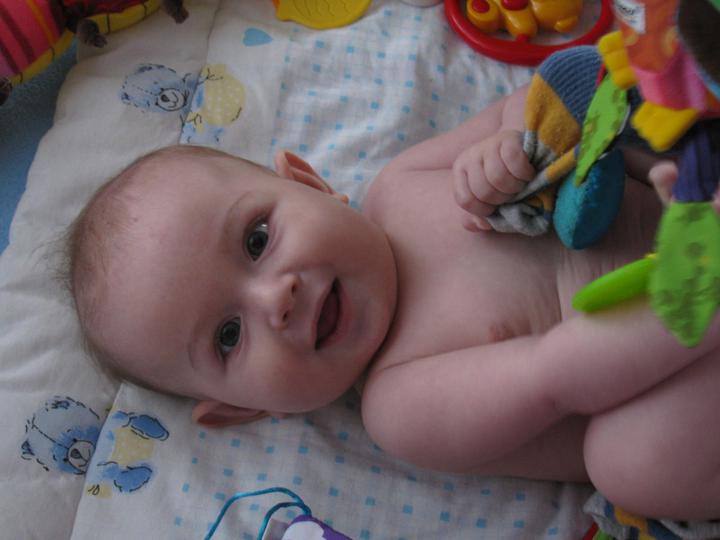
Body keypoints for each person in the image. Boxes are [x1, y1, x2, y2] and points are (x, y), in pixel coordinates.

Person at [66, 57, 720, 523]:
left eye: (258, 240)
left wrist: (508, 149)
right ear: (244, 409)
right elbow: (561, 373)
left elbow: (536, 104)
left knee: (625, 99)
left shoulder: (402, 182)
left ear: (310, 183)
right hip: (683, 363)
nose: (275, 300)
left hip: (674, 191)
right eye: (228, 336)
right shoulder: (400, 404)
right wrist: (690, 291)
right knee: (629, 462)